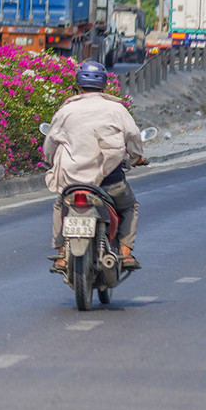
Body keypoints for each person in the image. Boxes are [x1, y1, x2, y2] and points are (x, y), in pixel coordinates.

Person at [41, 59, 146, 274]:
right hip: (109, 180)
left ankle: (61, 255)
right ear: (104, 85)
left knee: (60, 206)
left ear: (78, 84)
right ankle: (125, 253)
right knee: (128, 207)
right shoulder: (116, 108)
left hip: (72, 182)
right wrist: (136, 157)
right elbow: (133, 135)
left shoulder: (66, 110)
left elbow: (50, 142)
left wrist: (50, 161)